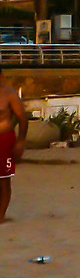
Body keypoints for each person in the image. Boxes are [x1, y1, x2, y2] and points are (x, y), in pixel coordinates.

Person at [0, 75, 25, 223]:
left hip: (4, 139)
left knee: (3, 179)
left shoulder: (9, 95)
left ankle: (0, 215)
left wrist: (20, 141)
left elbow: (22, 118)